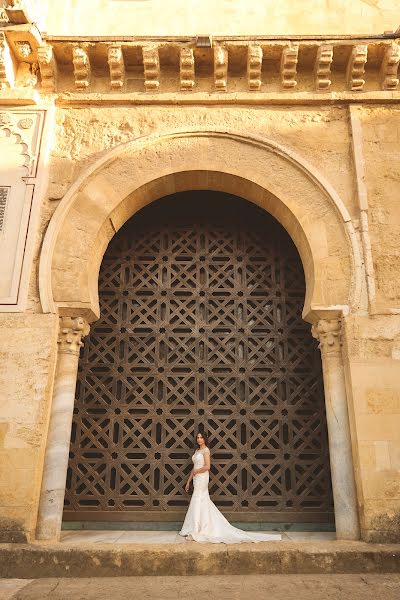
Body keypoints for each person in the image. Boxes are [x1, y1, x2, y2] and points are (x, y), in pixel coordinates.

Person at [179, 431, 281, 544]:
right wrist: (188, 482)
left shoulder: (206, 450)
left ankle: (197, 529)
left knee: (198, 498)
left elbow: (207, 466)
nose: (199, 440)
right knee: (200, 500)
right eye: (197, 438)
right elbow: (194, 468)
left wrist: (197, 471)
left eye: (201, 438)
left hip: (202, 477)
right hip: (196, 478)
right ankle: (197, 526)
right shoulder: (197, 451)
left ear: (205, 439)